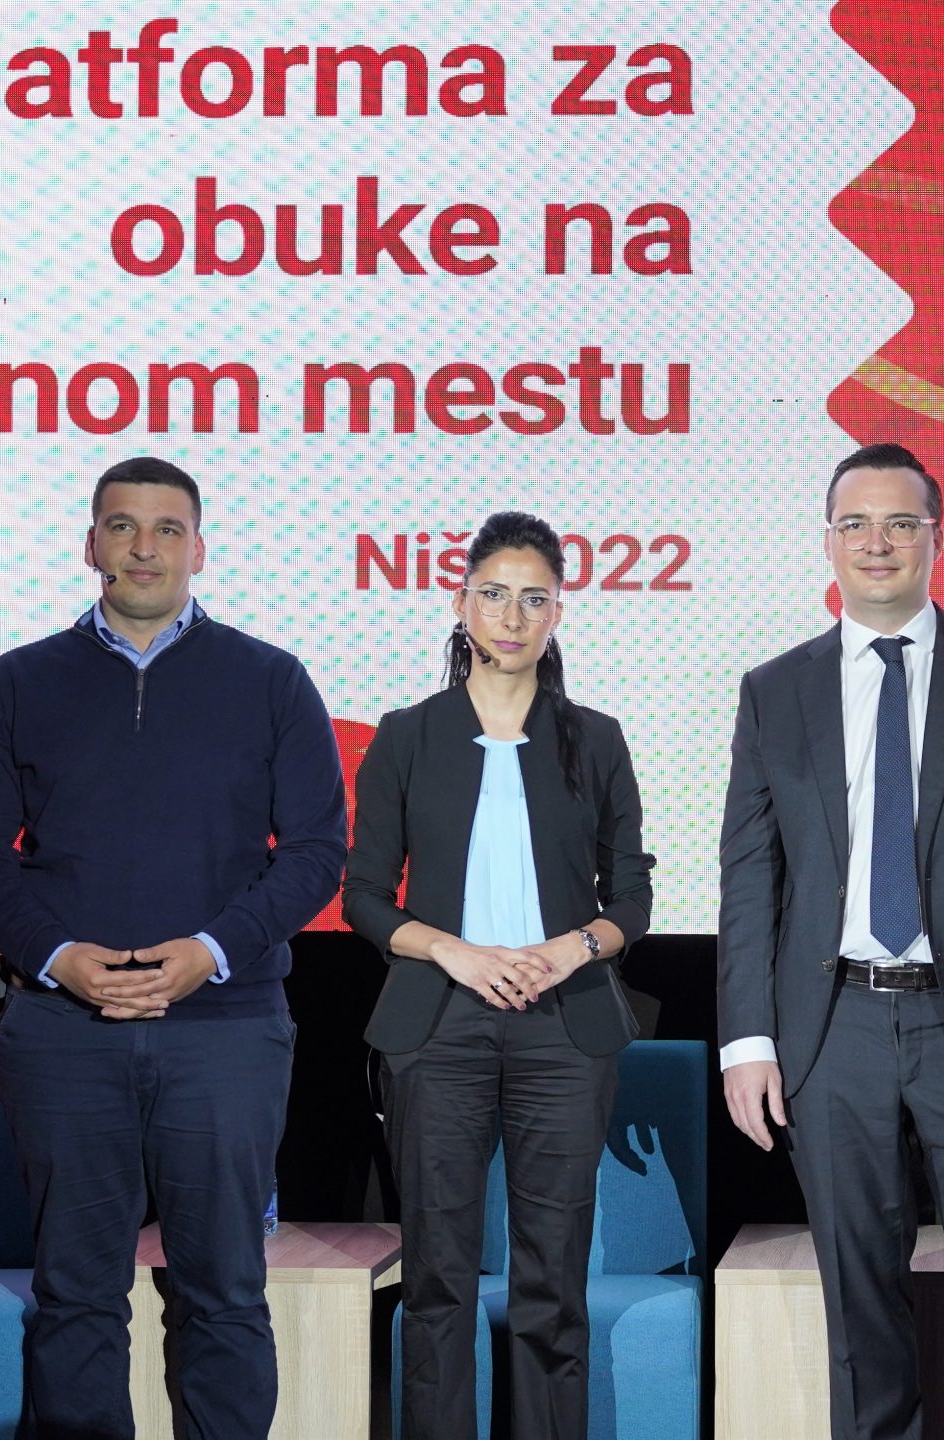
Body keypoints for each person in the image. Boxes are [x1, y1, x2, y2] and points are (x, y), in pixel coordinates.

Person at [0, 456, 348, 1439]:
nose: (145, 548)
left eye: (168, 529)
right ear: (92, 545)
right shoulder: (20, 680)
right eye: (123, 527)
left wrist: (212, 949)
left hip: (226, 1028)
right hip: (63, 1032)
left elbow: (318, 852)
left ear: (199, 550)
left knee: (224, 1293)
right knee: (76, 1294)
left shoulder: (271, 679)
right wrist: (57, 956)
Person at [716, 442, 944, 1440]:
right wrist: (747, 1038)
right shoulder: (774, 689)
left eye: (899, 523)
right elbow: (750, 876)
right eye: (855, 523)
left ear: (936, 537)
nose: (876, 542)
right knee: (859, 1314)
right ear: (828, 542)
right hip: (830, 1029)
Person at [342, 511, 655, 1439]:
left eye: (533, 599)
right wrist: (454, 950)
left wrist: (572, 948)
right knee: (436, 1278)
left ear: (558, 612)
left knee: (553, 1282)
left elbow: (632, 896)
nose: (512, 617)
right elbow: (364, 897)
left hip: (564, 1027)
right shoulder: (407, 735)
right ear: (461, 603)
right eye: (494, 595)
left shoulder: (595, 738)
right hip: (439, 1024)